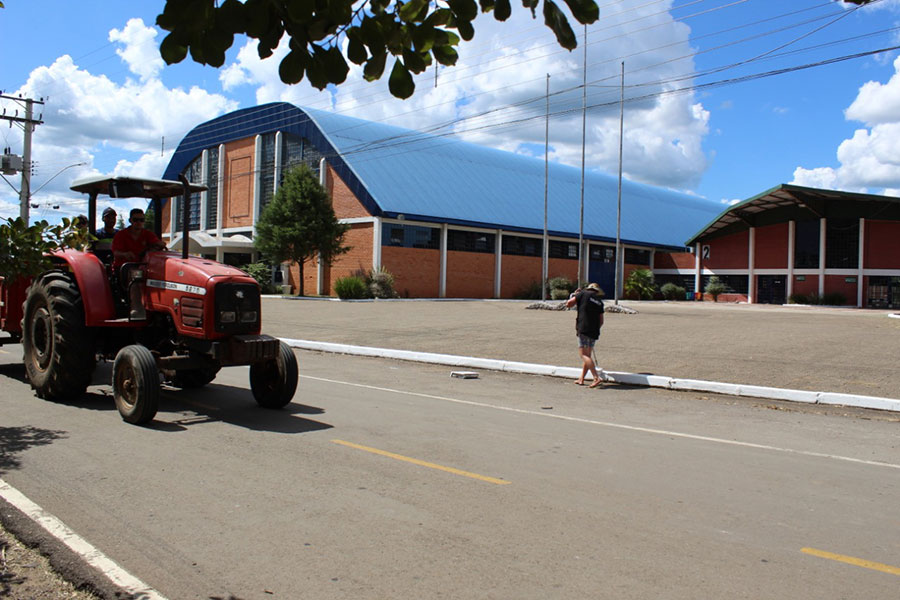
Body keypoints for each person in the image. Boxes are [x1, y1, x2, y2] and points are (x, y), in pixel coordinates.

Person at [111, 208, 166, 319]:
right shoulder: (121, 235)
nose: (139, 223)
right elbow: (115, 252)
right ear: (130, 220)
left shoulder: (147, 234)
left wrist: (159, 245)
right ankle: (137, 309)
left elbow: (159, 243)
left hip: (143, 266)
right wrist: (125, 254)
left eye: (141, 220)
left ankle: (159, 308)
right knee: (136, 278)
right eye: (136, 220)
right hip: (124, 267)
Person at [565, 282, 605, 388]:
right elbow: (601, 321)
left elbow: (568, 304)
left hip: (583, 328)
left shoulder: (583, 294)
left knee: (583, 355)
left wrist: (575, 295)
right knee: (588, 356)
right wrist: (595, 329)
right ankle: (581, 378)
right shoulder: (600, 302)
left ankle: (596, 377)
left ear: (588, 289)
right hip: (594, 331)